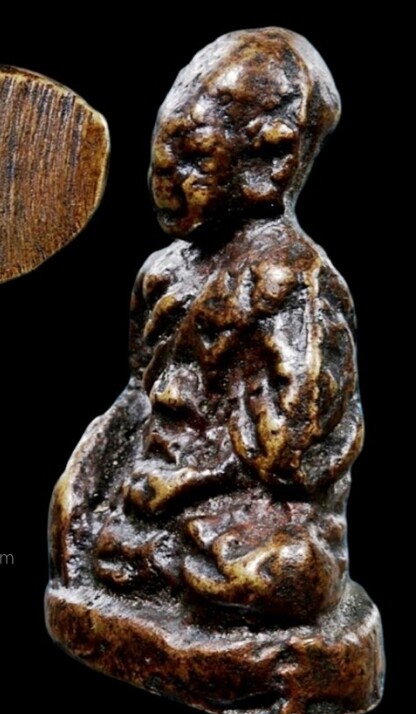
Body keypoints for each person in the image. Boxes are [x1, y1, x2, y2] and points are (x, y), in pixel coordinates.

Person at [56, 28, 360, 622]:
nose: (164, 177)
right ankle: (149, 554)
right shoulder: (162, 274)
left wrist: (190, 481)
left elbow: (295, 457)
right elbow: (139, 398)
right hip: (157, 492)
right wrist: (94, 475)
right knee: (80, 515)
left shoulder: (290, 281)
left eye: (193, 156)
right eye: (159, 154)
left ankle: (163, 563)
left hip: (244, 506)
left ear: (269, 164)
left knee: (287, 567)